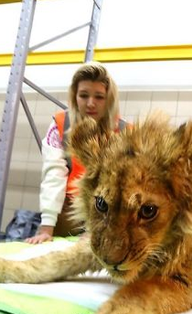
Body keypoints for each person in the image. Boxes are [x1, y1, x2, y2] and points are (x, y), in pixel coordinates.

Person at [26, 62, 127, 244]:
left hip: (108, 217)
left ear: (109, 99)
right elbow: (53, 174)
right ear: (74, 96)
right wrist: (46, 227)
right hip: (68, 212)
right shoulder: (60, 124)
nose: (90, 103)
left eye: (99, 97)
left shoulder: (125, 132)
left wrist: (96, 229)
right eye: (83, 95)